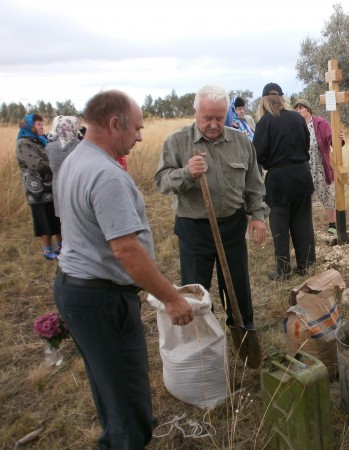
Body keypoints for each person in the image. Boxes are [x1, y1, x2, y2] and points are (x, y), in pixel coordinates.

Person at [54, 90, 194, 449]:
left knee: (110, 387)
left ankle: (121, 430)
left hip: (77, 291)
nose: (140, 137)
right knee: (128, 401)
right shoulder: (106, 174)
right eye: (137, 128)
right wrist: (172, 299)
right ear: (115, 123)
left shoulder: (75, 159)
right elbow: (127, 251)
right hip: (102, 300)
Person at [155, 84, 267, 330]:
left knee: (237, 285)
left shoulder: (240, 141)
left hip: (232, 225)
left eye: (219, 117)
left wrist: (257, 215)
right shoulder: (177, 142)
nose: (214, 124)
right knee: (196, 289)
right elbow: (161, 182)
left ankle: (242, 329)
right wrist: (186, 173)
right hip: (194, 229)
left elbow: (254, 184)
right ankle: (203, 337)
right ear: (195, 113)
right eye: (207, 118)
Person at [253, 83, 316, 280]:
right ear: (282, 98)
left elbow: (258, 155)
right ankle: (306, 264)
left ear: (264, 101)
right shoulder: (297, 118)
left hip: (279, 179)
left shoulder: (265, 122)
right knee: (303, 221)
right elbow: (306, 144)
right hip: (302, 174)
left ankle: (283, 270)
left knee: (280, 225)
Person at [294, 99, 345, 235]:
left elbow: (332, 139)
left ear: (308, 109)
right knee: (304, 198)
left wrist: (339, 138)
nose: (298, 110)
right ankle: (306, 227)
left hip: (321, 166)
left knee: (328, 194)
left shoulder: (319, 123)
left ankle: (332, 225)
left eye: (301, 107)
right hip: (304, 168)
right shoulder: (296, 125)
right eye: (296, 108)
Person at [16, 113, 62, 259]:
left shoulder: (41, 140)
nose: (41, 126)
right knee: (43, 218)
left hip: (50, 186)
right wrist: (59, 165)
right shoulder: (24, 143)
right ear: (30, 126)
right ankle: (47, 250)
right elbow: (36, 164)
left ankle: (61, 246)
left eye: (42, 123)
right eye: (37, 124)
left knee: (56, 216)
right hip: (37, 188)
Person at [46, 115, 81, 219]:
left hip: (58, 186)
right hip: (77, 185)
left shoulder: (49, 147)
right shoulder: (81, 146)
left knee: (64, 220)